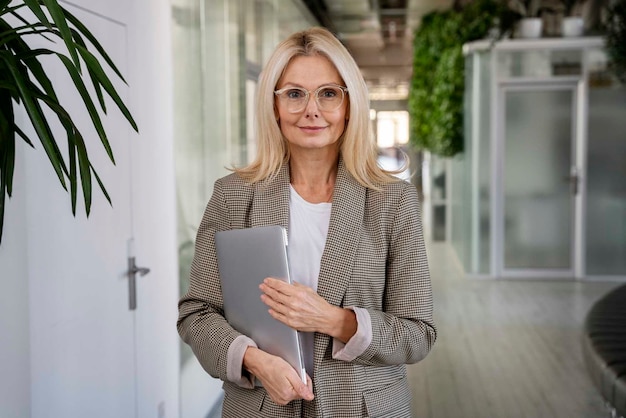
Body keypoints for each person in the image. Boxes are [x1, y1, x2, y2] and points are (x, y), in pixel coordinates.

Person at [177, 26, 436, 417]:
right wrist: (254, 360)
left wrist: (335, 321)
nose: (311, 110)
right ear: (274, 105)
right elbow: (196, 315)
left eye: (328, 93)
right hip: (262, 406)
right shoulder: (233, 195)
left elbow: (418, 333)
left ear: (349, 105)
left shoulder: (392, 201)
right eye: (295, 94)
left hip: (361, 407)